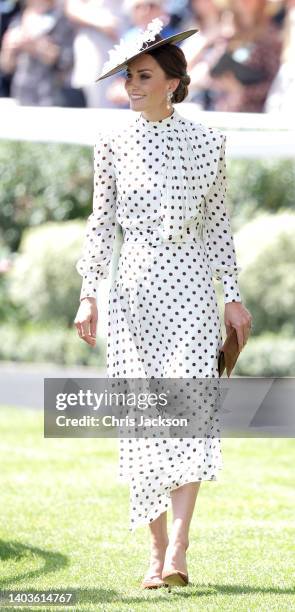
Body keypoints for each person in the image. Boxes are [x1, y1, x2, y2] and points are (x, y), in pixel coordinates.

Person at [74, 17, 252, 589]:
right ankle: (153, 557)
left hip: (193, 292)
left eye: (143, 75)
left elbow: (218, 226)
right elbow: (101, 225)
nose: (131, 85)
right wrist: (88, 295)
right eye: (129, 75)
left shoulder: (207, 143)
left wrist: (234, 298)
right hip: (133, 295)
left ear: (173, 82)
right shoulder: (113, 141)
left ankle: (178, 549)